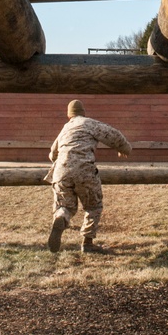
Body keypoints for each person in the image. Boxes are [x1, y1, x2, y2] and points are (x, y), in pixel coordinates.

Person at [46, 99, 132, 254]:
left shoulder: (65, 128)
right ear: (83, 112)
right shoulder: (89, 123)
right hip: (84, 170)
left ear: (69, 115)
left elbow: (53, 154)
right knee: (93, 206)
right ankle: (87, 243)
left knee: (65, 206)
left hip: (60, 171)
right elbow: (112, 134)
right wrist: (125, 148)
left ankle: (61, 217)